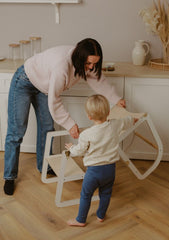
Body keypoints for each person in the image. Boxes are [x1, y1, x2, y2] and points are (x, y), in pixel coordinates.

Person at [3, 38, 125, 196]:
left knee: (47, 128)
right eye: (88, 64)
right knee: (16, 131)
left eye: (95, 63)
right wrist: (70, 124)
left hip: (44, 87)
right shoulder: (62, 67)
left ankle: (44, 166)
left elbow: (98, 80)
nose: (91, 67)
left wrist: (116, 99)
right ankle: (9, 176)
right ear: (80, 59)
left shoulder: (87, 62)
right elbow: (54, 100)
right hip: (24, 80)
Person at [65, 94, 134, 227]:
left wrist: (71, 148)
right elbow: (129, 121)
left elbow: (79, 151)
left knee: (86, 195)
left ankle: (81, 219)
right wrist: (135, 118)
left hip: (93, 172)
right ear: (108, 112)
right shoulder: (115, 125)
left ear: (89, 116)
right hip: (110, 169)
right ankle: (101, 215)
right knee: (106, 193)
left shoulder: (86, 134)